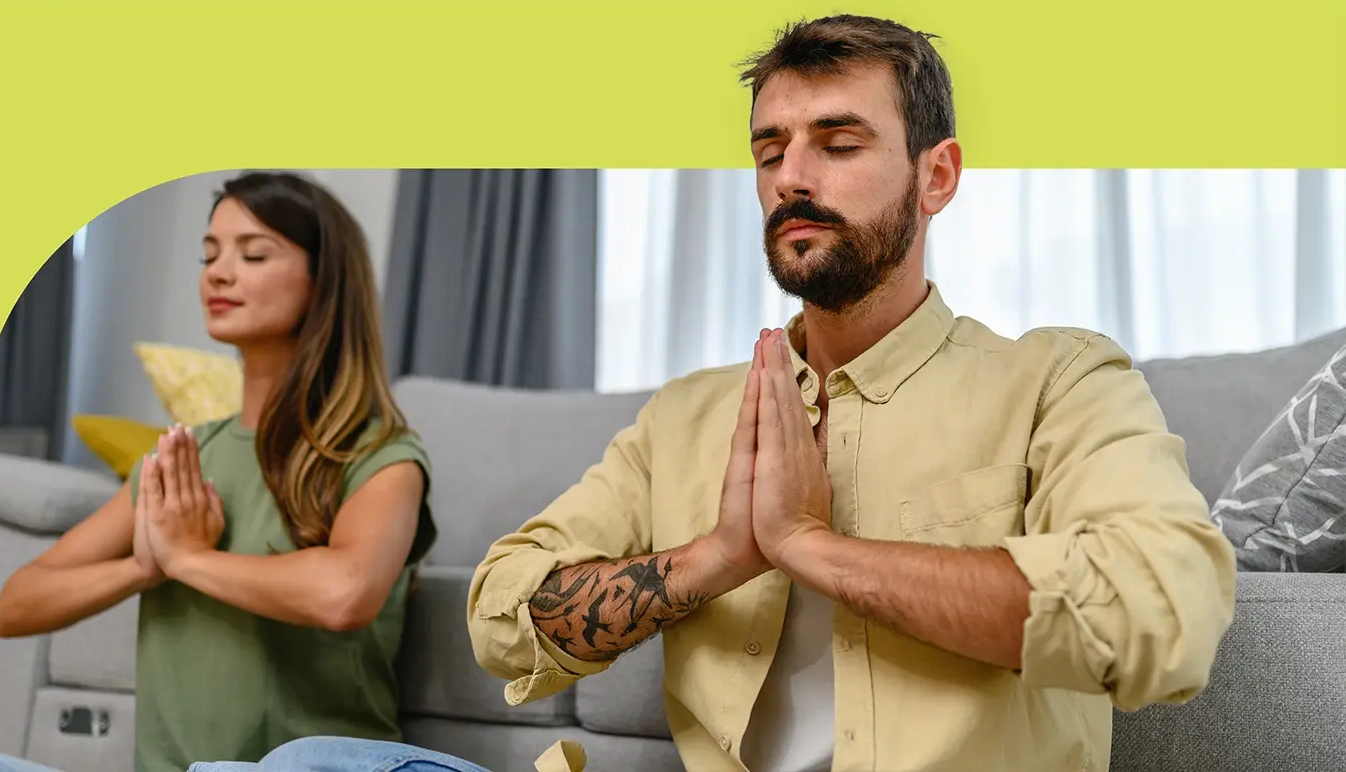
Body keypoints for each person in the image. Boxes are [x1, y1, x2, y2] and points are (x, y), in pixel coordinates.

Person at [466, 13, 1237, 772]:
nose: (791, 178)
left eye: (838, 145)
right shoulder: (683, 418)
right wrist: (717, 558)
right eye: (770, 152)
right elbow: (500, 618)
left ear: (936, 176)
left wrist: (813, 548)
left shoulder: (1058, 381)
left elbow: (1162, 610)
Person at [0, 172, 472, 772]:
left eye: (254, 254)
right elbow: (14, 605)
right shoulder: (182, 460)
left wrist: (188, 559)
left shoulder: (378, 453)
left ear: (324, 280)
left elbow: (345, 593)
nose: (217, 272)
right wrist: (143, 566)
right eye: (209, 255)